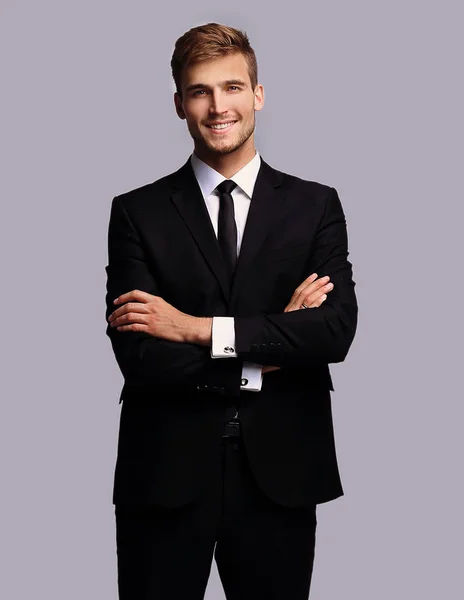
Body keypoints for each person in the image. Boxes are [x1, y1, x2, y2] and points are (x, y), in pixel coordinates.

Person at [105, 22, 358, 600]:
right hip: (164, 475)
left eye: (232, 88)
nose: (218, 107)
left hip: (282, 475)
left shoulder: (315, 206)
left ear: (258, 94)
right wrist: (266, 352)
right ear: (179, 104)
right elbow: (142, 356)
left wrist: (193, 329)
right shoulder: (136, 213)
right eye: (200, 92)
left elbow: (332, 333)